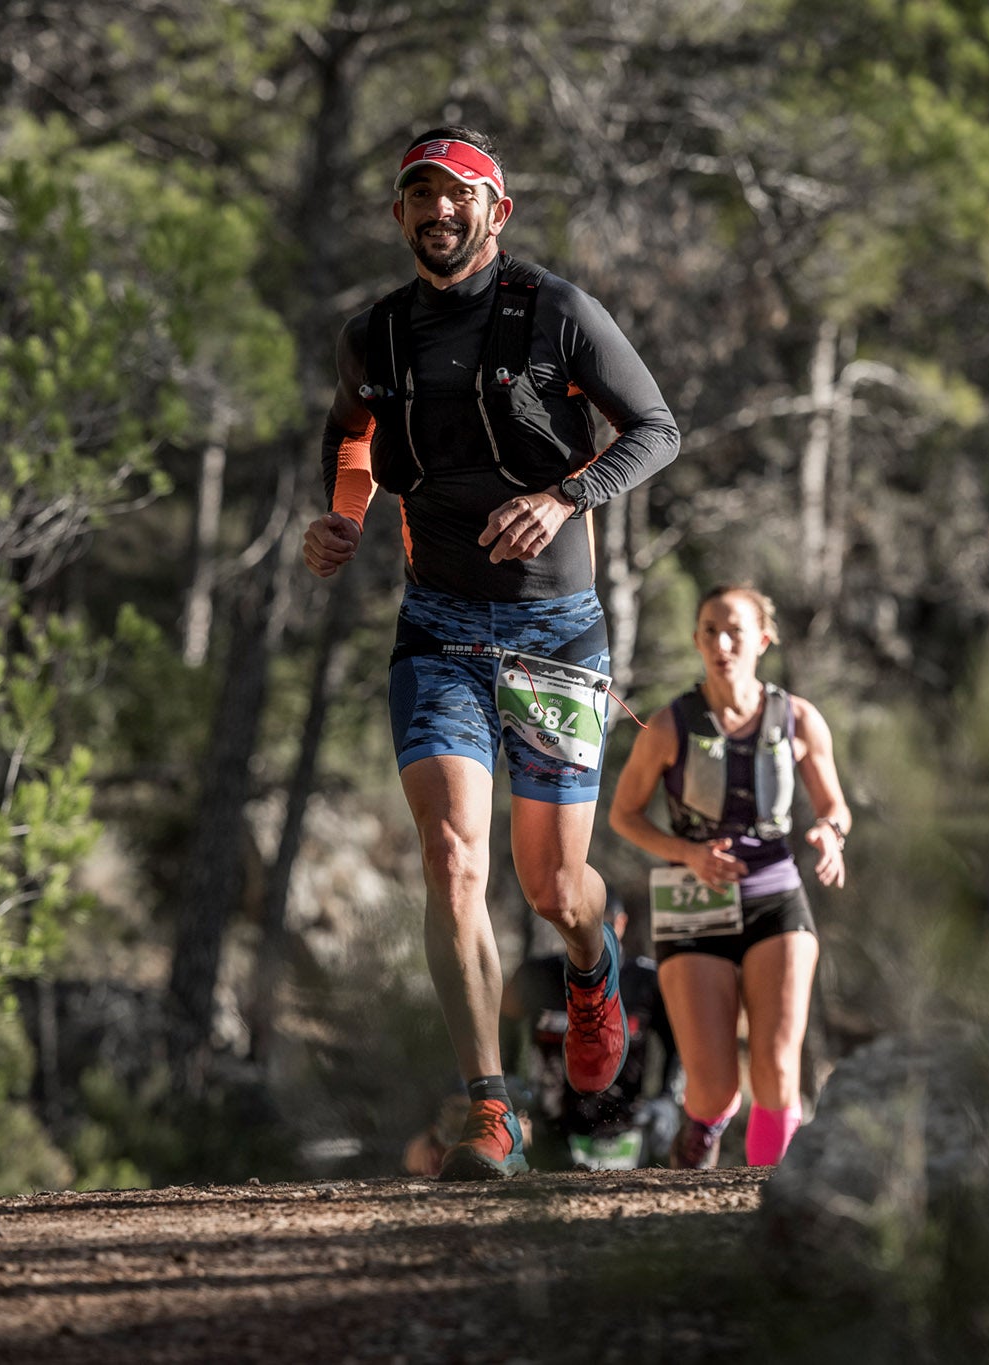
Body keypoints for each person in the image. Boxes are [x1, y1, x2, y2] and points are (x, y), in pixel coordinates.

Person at [303, 125, 680, 1181]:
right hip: (437, 630)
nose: (438, 212)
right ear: (399, 217)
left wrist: (567, 496)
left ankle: (592, 971)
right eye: (419, 197)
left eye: (458, 196)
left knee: (555, 887)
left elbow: (653, 427)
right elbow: (350, 440)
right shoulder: (373, 336)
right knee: (451, 858)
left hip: (553, 636)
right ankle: (486, 1107)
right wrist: (340, 519)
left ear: (495, 213)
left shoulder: (554, 311)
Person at [606, 584, 851, 1169]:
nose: (721, 643)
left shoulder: (797, 718)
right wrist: (685, 853)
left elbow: (834, 806)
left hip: (776, 899)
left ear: (762, 640)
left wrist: (829, 834)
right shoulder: (668, 726)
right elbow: (624, 815)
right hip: (694, 904)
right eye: (710, 631)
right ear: (696, 640)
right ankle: (705, 1127)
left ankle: (772, 1199)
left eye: (735, 630)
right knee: (715, 1087)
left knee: (776, 1068)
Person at [502, 897, 680, 1170]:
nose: (591, 933)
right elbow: (501, 1023)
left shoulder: (645, 980)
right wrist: (506, 1081)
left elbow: (679, 1042)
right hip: (550, 1125)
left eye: (602, 922)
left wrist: (669, 1098)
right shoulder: (535, 974)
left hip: (625, 1125)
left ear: (620, 923)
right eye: (582, 922)